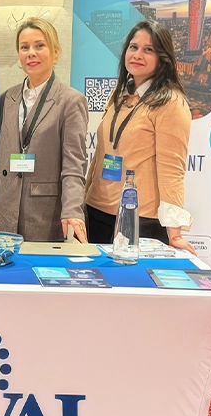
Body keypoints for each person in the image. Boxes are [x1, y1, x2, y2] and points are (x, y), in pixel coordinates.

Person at [84, 21, 197, 254]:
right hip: (97, 211)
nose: (137, 55)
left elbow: (172, 170)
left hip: (139, 218)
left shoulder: (170, 102)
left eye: (148, 50)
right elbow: (101, 154)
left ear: (162, 58)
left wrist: (174, 234)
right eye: (133, 47)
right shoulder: (120, 94)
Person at [0, 18, 89, 242]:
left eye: (39, 45)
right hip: (4, 210)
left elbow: (74, 164)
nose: (31, 53)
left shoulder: (70, 101)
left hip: (45, 214)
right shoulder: (7, 98)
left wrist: (73, 210)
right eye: (24, 47)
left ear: (55, 52)